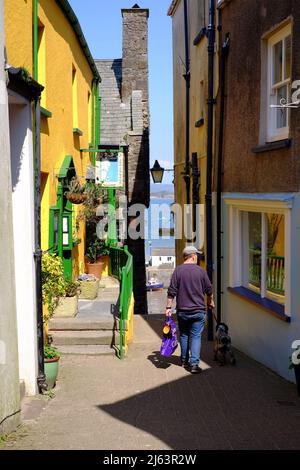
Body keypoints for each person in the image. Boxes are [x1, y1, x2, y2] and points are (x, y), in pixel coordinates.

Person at [165, 246, 215, 374]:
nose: (197, 257)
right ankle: (194, 364)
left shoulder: (178, 271)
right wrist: (211, 301)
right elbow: (209, 290)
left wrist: (168, 307)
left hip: (183, 311)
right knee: (196, 336)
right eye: (196, 255)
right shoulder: (201, 271)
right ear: (193, 256)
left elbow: (171, 292)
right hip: (198, 311)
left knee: (184, 335)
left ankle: (184, 361)